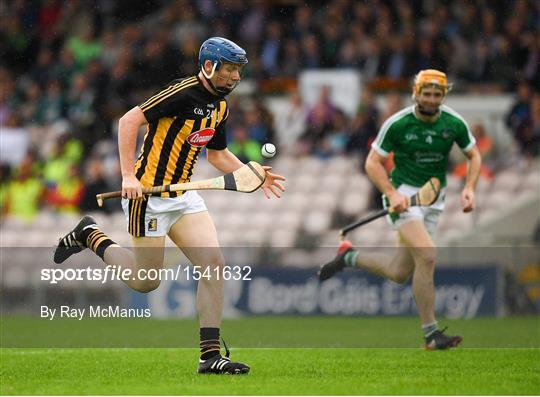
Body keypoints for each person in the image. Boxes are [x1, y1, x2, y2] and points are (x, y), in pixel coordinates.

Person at [54, 37, 285, 374]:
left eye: (238, 71)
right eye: (230, 69)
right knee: (146, 281)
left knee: (213, 263)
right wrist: (128, 176)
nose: (235, 77)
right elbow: (128, 122)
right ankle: (90, 234)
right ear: (209, 66)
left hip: (184, 195)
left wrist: (250, 174)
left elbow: (217, 155)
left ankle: (209, 357)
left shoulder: (220, 107)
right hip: (147, 196)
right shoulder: (182, 93)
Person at [318, 69, 481, 350]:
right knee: (428, 255)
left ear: (443, 95)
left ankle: (349, 257)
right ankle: (431, 335)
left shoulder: (453, 123)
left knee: (398, 272)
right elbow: (372, 162)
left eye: (436, 94)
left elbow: (473, 155)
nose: (431, 99)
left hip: (433, 199)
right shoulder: (398, 124)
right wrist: (392, 193)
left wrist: (469, 188)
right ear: (416, 93)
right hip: (402, 196)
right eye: (426, 93)